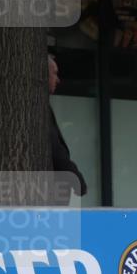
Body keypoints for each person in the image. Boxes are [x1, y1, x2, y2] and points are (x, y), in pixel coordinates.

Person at [48, 54, 87, 199]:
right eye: (54, 73)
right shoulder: (39, 108)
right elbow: (55, 149)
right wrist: (76, 179)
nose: (58, 79)